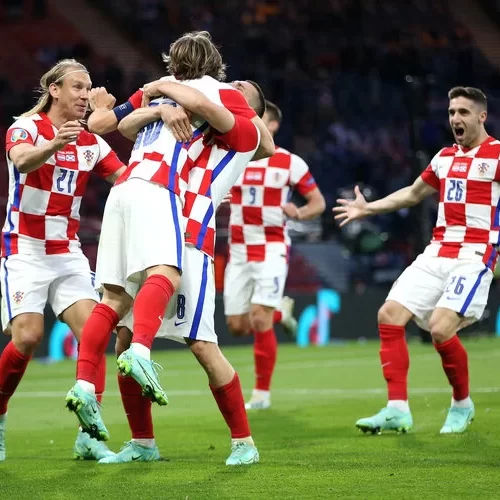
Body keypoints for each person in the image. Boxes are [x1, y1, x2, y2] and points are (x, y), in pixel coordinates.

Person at [64, 32, 271, 451]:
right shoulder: (193, 116)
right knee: (122, 329)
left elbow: (253, 135)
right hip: (157, 210)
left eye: (241, 94)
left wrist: (159, 90)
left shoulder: (229, 115)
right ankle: (142, 443)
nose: (234, 91)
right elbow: (114, 123)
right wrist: (154, 105)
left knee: (200, 343)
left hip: (191, 233)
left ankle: (243, 442)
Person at [333, 86, 496, 435]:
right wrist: (367, 208)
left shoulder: (497, 155)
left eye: (464, 112)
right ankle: (396, 409)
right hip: (437, 252)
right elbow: (411, 194)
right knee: (389, 315)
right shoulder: (443, 158)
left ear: (482, 116)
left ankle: (462, 404)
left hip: (474, 255)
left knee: (440, 329)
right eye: (452, 112)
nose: (456, 119)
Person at [0, 59, 126, 461]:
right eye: (77, 87)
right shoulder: (24, 127)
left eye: (88, 89)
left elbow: (127, 181)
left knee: (93, 333)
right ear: (54, 90)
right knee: (27, 337)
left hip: (67, 252)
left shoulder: (91, 142)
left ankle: (89, 437)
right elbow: (22, 161)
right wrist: (56, 143)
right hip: (24, 250)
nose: (85, 95)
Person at [224, 100, 326, 410]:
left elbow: (318, 203)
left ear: (273, 126)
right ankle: (281, 311)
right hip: (238, 250)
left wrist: (299, 212)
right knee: (237, 326)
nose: (251, 121)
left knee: (259, 317)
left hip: (271, 248)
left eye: (259, 118)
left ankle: (261, 395)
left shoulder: (289, 162)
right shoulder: (233, 157)